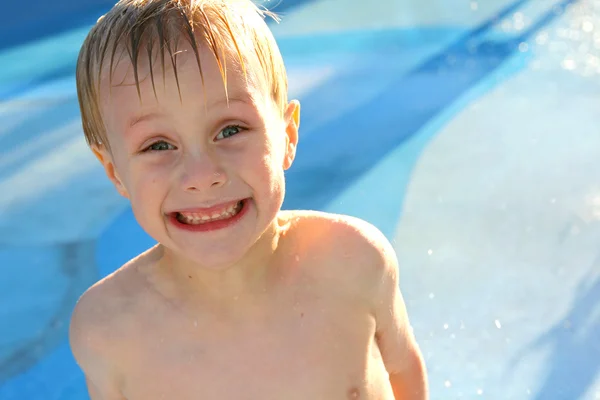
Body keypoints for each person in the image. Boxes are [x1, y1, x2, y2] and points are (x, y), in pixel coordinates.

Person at [68, 0, 429, 398]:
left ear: (287, 136)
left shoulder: (353, 262)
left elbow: (403, 369)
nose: (203, 177)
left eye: (230, 130)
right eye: (158, 145)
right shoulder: (107, 331)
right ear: (115, 171)